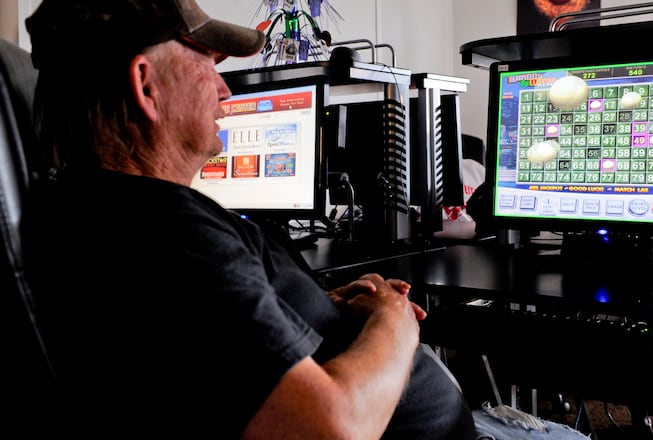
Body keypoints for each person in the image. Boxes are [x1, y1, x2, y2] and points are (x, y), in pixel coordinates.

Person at [20, 0, 477, 438]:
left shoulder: (99, 211)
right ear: (145, 84)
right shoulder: (165, 230)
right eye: (207, 64)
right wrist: (393, 321)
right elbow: (326, 430)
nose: (225, 90)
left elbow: (203, 340)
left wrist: (309, 305)